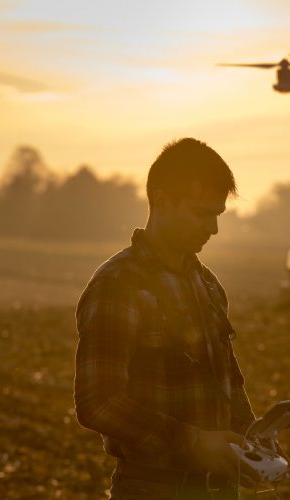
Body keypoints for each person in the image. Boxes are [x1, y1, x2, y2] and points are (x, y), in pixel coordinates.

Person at [74, 138, 262, 499]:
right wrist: (191, 441)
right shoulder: (119, 283)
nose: (214, 229)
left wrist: (253, 441)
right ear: (162, 201)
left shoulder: (206, 283)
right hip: (154, 490)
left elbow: (229, 383)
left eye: (217, 215)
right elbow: (98, 401)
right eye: (202, 213)